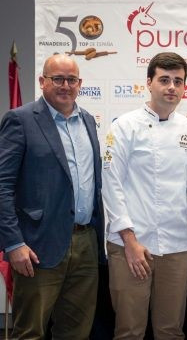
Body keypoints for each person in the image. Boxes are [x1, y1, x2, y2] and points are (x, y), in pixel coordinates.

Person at [0, 54, 105, 339]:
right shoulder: (20, 120)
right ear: (42, 81)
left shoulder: (88, 121)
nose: (65, 85)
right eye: (57, 78)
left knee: (76, 331)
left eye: (72, 79)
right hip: (37, 245)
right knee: (30, 331)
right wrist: (13, 242)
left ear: (80, 83)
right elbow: (3, 185)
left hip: (85, 243)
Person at [102, 52, 187, 340]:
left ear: (184, 87)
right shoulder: (124, 126)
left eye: (178, 81)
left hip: (177, 247)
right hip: (131, 245)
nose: (171, 87)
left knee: (171, 331)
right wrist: (130, 241)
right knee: (129, 331)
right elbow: (111, 183)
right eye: (164, 80)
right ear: (149, 82)